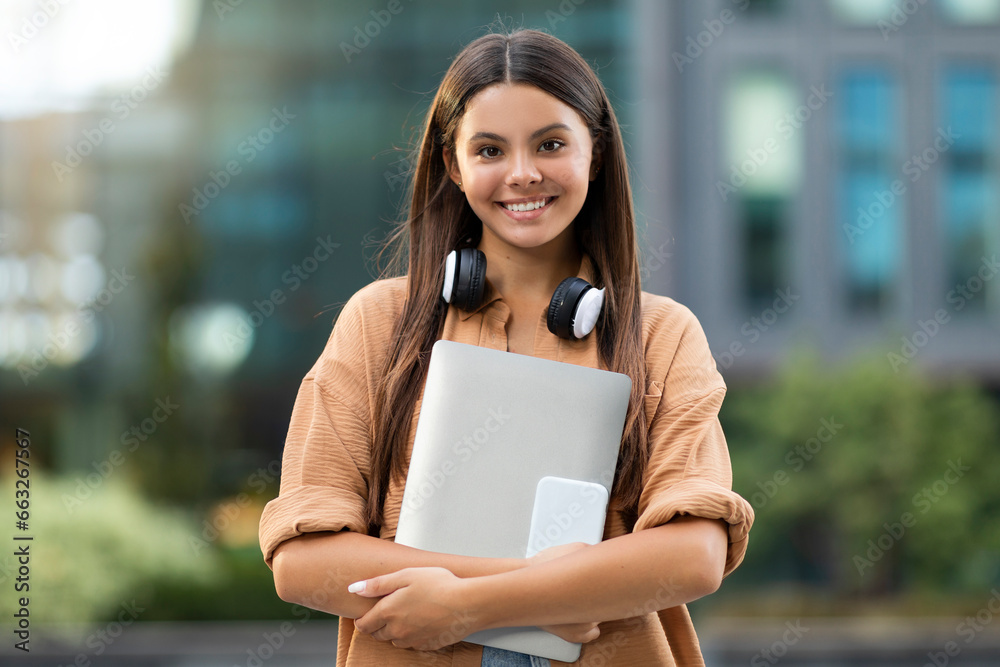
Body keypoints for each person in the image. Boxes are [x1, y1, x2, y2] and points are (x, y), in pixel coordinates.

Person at [258, 27, 754, 667]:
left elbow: (694, 555)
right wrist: (546, 592)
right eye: (490, 149)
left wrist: (467, 606)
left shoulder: (661, 334)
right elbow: (303, 563)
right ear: (453, 166)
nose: (522, 174)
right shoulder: (380, 324)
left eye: (550, 144)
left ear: (595, 155)